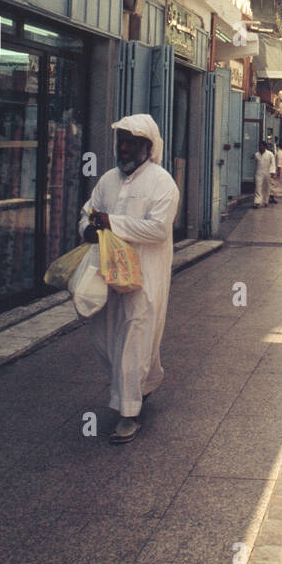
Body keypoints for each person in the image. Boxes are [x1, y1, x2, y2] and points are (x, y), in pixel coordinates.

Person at [79, 114, 178, 444]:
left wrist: (112, 222)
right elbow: (88, 212)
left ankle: (128, 413)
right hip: (107, 274)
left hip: (144, 276)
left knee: (136, 334)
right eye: (121, 142)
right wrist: (88, 228)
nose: (124, 148)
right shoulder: (107, 179)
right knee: (105, 336)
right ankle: (143, 384)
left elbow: (159, 229)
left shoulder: (162, 182)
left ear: (148, 148)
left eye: (131, 143)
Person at [253, 140, 275, 208]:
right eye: (259, 146)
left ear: (265, 146)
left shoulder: (270, 154)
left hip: (267, 173)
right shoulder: (256, 154)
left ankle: (266, 201)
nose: (260, 147)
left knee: (266, 187)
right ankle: (257, 202)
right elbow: (254, 164)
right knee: (258, 187)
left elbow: (273, 163)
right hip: (259, 172)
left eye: (262, 146)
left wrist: (272, 171)